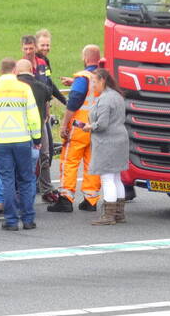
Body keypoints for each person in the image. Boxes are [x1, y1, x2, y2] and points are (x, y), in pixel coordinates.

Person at [0, 58, 42, 230]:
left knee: (7, 180)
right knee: (26, 179)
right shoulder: (24, 88)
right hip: (22, 140)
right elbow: (33, 115)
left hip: (2, 142)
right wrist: (36, 138)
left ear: (0, 71)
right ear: (15, 71)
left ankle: (11, 221)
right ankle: (28, 219)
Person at [48, 44, 102, 213]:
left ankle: (65, 198)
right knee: (91, 163)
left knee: (69, 161)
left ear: (85, 58)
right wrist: (74, 82)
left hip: (79, 128)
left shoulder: (83, 77)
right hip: (96, 128)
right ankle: (90, 200)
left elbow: (76, 98)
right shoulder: (102, 76)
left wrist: (65, 124)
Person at [83, 68, 129, 225]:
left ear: (102, 80)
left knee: (107, 178)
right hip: (120, 139)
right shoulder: (117, 96)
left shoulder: (105, 99)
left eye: (94, 82)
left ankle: (108, 216)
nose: (92, 85)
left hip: (107, 142)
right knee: (116, 177)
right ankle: (119, 214)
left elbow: (102, 125)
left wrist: (90, 126)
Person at [34, 29, 66, 203]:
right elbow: (42, 88)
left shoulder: (44, 61)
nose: (46, 48)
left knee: (47, 150)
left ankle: (43, 185)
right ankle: (44, 188)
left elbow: (49, 84)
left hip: (44, 110)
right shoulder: (35, 63)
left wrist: (63, 100)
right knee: (44, 151)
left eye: (48, 45)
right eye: (43, 45)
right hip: (38, 112)